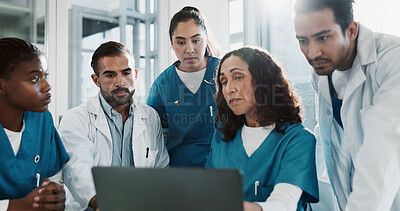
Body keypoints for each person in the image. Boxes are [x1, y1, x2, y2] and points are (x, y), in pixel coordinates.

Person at [293, 0, 400, 210]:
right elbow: (331, 137)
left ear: (351, 30)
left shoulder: (392, 60)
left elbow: (382, 153)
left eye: (323, 38)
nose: (313, 53)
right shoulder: (321, 71)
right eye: (303, 41)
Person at [59, 41, 169, 210]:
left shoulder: (150, 116)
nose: (120, 82)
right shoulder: (76, 119)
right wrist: (102, 203)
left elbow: (160, 168)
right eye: (110, 75)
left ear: (136, 74)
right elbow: (77, 171)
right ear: (96, 80)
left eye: (126, 73)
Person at [207, 47, 319, 211]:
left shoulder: (298, 140)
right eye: (224, 81)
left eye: (238, 77)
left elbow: (283, 205)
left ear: (264, 81)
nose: (229, 89)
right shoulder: (222, 137)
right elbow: (209, 193)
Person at [0, 37, 69, 211]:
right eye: (34, 79)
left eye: (44, 76)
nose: (47, 86)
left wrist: (55, 196)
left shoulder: (42, 120)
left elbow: (54, 178)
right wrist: (15, 206)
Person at [146, 6, 220, 167]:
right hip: (179, 175)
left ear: (206, 38)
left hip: (222, 171)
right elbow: (152, 136)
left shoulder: (224, 73)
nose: (189, 49)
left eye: (196, 40)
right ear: (172, 44)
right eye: (181, 42)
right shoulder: (162, 84)